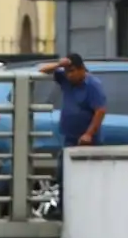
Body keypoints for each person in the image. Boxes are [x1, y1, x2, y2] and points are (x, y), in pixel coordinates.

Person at [40, 54, 107, 221]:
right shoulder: (66, 80)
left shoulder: (92, 85)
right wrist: (58, 65)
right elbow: (42, 70)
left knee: (87, 176)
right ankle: (62, 209)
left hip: (86, 139)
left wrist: (89, 134)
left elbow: (100, 111)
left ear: (81, 69)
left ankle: (88, 209)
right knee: (63, 174)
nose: (69, 75)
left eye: (72, 71)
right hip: (69, 137)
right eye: (67, 72)